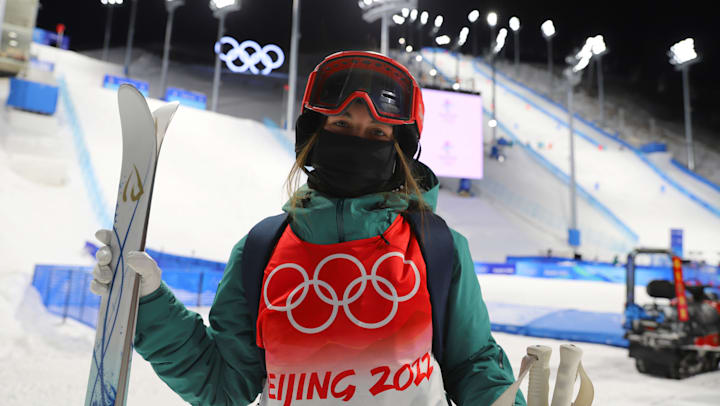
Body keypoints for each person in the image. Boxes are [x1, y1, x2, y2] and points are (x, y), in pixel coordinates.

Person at [91, 51, 525, 406]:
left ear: (399, 152)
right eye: (341, 125)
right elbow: (223, 385)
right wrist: (146, 304)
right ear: (315, 136)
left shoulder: (437, 247)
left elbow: (473, 364)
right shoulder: (262, 249)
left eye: (376, 132)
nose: (358, 139)